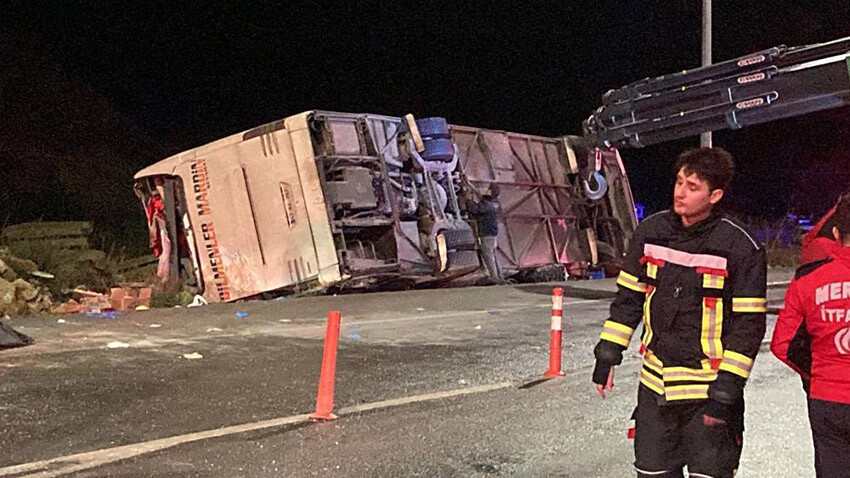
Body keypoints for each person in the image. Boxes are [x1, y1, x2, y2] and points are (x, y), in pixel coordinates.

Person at [592, 147, 767, 478]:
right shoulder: (651, 232)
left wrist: (727, 387)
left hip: (708, 391)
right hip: (655, 385)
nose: (680, 192)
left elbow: (748, 325)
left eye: (693, 186)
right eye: (679, 181)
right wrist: (608, 352)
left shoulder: (740, 246)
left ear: (715, 195)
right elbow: (629, 298)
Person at [771, 193, 850, 478]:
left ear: (837, 233)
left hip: (827, 398)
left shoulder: (808, 278)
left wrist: (817, 372)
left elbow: (782, 344)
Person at [465, 184, 503, 283]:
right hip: (492, 232)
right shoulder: (494, 203)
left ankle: (494, 277)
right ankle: (500, 276)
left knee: (488, 255)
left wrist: (468, 200)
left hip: (486, 233)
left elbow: (475, 209)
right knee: (493, 255)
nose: (485, 191)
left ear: (490, 192)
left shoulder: (488, 204)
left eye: (487, 189)